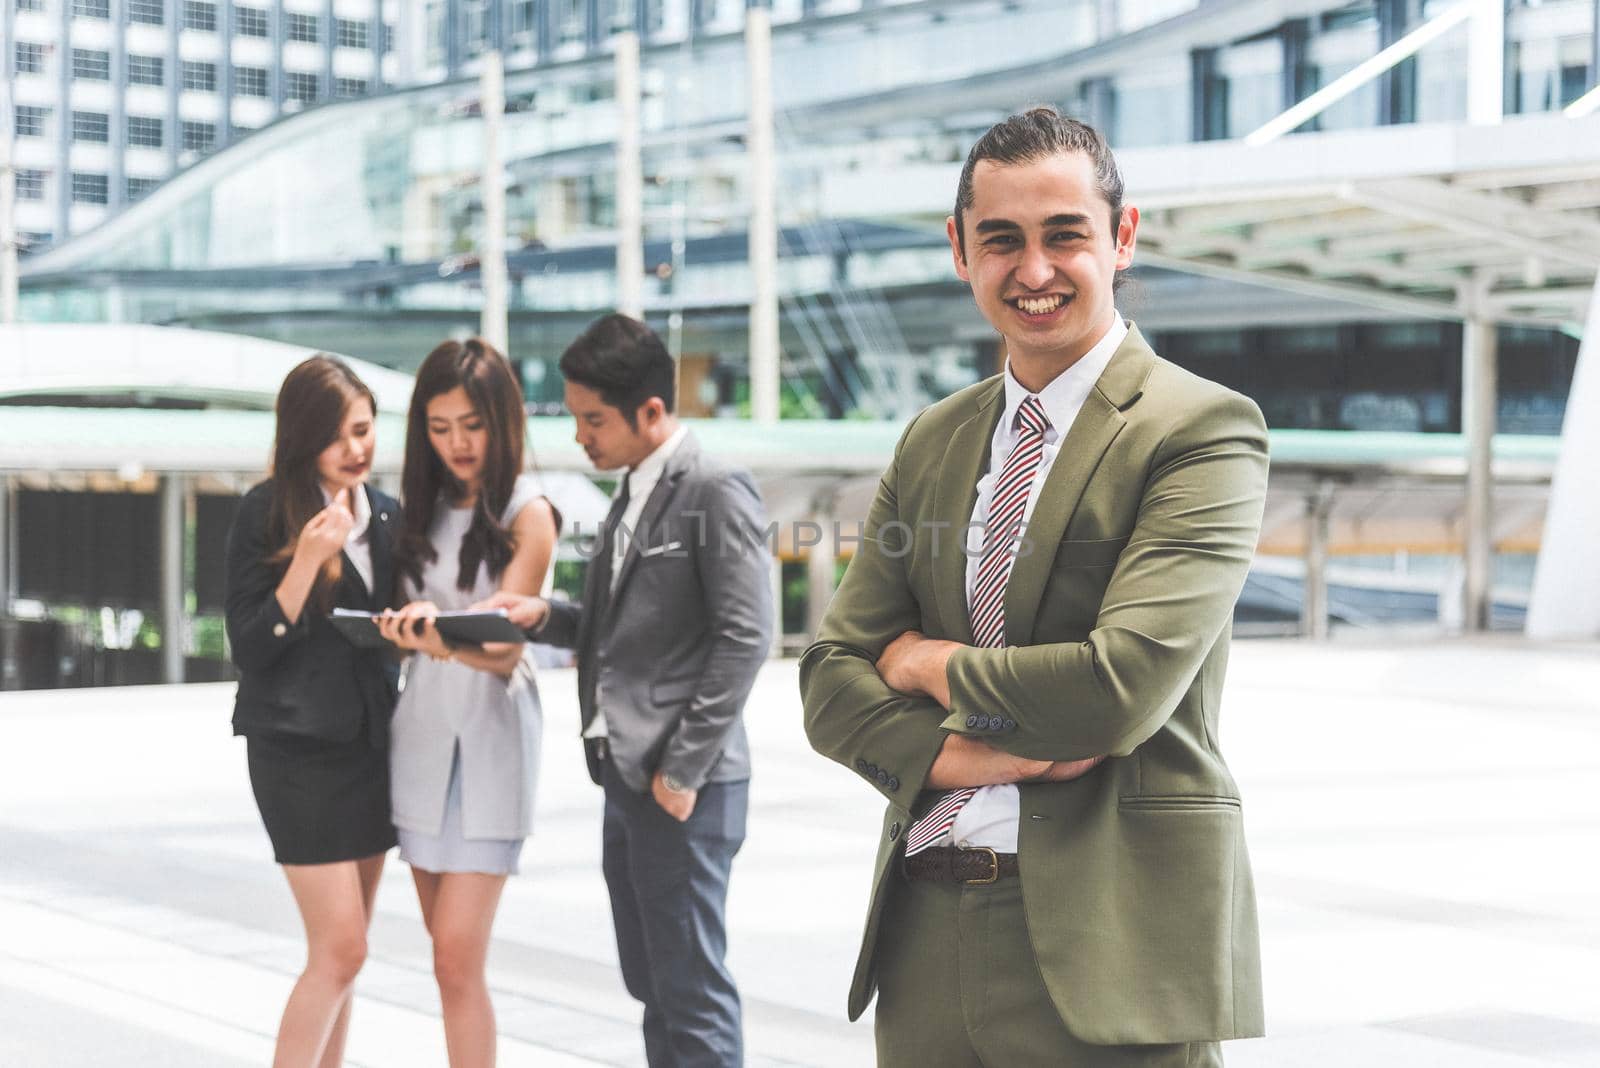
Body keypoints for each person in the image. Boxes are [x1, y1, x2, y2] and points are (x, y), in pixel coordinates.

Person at [798, 107, 1269, 1066]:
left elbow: (1119, 687)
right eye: (1002, 241)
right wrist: (958, 760)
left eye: (1067, 236)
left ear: (1123, 238)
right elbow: (830, 675)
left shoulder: (1201, 431)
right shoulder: (934, 438)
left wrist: (928, 662)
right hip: (927, 932)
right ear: (960, 251)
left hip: (1111, 950)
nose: (1036, 270)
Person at [480, 313, 773, 1068]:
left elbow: (746, 636)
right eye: (576, 418)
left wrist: (681, 771)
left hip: (682, 786)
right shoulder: (634, 490)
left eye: (593, 419)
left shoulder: (712, 487)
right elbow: (622, 631)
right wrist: (542, 615)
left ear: (650, 411)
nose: (581, 436)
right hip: (627, 776)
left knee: (691, 989)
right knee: (653, 984)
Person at [376, 338, 559, 1067]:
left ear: (502, 422)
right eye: (440, 426)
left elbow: (507, 649)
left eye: (471, 425)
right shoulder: (418, 509)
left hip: (490, 741)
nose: (456, 442)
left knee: (457, 959)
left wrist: (433, 639)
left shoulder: (528, 514)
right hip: (420, 738)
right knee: (443, 960)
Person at [224, 355, 401, 1067]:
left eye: (364, 430)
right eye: (338, 436)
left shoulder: (386, 514)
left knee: (347, 953)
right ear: (304, 439)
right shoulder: (264, 510)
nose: (356, 449)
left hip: (370, 747)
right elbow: (248, 646)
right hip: (296, 756)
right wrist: (304, 563)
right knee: (342, 948)